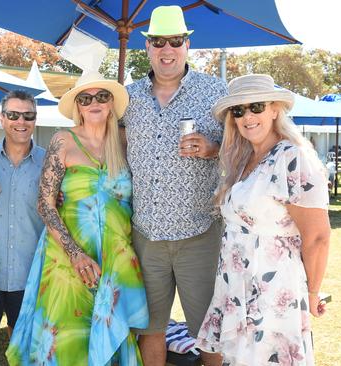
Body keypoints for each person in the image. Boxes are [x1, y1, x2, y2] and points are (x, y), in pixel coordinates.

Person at [6, 72, 148, 364]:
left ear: (111, 104)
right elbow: (45, 204)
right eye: (85, 98)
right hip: (67, 257)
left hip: (115, 259)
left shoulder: (125, 142)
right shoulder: (64, 140)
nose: (94, 102)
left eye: (101, 96)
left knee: (110, 338)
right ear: (78, 107)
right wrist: (75, 254)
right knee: (67, 338)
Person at [195, 74, 331, 365]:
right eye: (239, 110)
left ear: (274, 110)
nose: (247, 116)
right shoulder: (244, 159)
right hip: (235, 285)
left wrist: (314, 292)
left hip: (273, 287)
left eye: (256, 106)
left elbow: (317, 236)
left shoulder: (292, 156)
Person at [120, 6, 227, 365]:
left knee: (209, 330)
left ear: (187, 45)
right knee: (150, 328)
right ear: (147, 47)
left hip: (200, 233)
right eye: (159, 42)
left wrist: (213, 149)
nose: (168, 49)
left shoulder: (215, 91)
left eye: (176, 41)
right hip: (145, 234)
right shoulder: (127, 97)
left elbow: (244, 148)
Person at [0, 90, 45, 366]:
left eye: (28, 115)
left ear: (35, 119)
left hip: (31, 273)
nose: (21, 121)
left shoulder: (51, 162)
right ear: (2, 119)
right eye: (14, 115)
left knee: (26, 351)